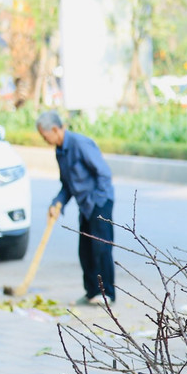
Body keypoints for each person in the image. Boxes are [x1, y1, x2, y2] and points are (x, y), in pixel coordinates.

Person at [36, 111, 116, 305]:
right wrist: (57, 203)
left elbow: (104, 173)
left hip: (99, 203)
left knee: (101, 249)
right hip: (85, 206)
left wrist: (97, 202)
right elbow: (67, 185)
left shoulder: (80, 144)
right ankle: (92, 293)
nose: (45, 140)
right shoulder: (60, 151)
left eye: (45, 136)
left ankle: (107, 294)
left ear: (55, 129)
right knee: (85, 251)